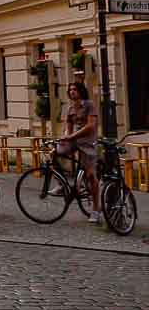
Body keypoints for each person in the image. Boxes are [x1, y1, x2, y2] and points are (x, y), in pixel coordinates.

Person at [59, 80, 100, 223]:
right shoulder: (70, 109)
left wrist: (71, 136)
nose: (72, 92)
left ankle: (96, 210)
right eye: (70, 90)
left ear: (80, 91)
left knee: (90, 176)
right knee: (56, 151)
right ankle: (61, 183)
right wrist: (64, 138)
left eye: (74, 89)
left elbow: (91, 126)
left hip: (88, 143)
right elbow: (68, 128)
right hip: (75, 140)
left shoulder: (89, 105)